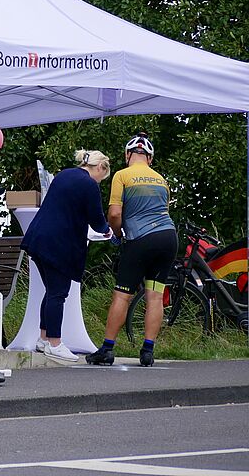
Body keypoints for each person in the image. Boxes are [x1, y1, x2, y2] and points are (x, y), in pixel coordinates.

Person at [87, 133, 177, 367]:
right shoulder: (161, 180)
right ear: (150, 158)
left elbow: (115, 214)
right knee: (155, 295)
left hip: (140, 240)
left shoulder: (122, 175)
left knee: (122, 295)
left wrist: (117, 235)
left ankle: (107, 349)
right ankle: (147, 352)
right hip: (168, 238)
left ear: (128, 155)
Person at [21, 149, 112, 362]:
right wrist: (108, 230)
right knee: (58, 293)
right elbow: (97, 219)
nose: (100, 182)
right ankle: (55, 342)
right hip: (57, 244)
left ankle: (43, 339)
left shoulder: (64, 174)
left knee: (51, 290)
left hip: (39, 238)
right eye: (102, 177)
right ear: (100, 167)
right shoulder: (88, 184)